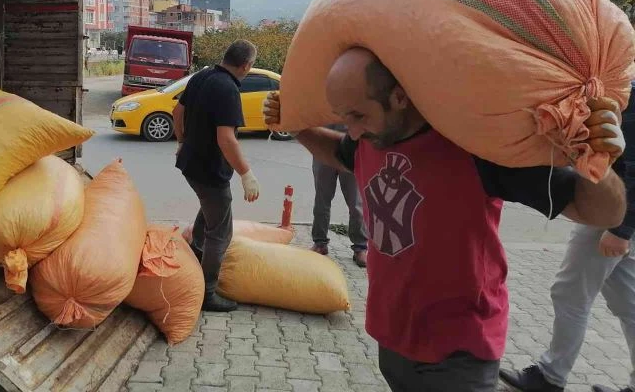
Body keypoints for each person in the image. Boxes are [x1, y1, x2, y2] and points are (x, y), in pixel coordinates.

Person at [262, 47, 627, 392]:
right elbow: (339, 153)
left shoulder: (476, 146)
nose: (352, 130)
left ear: (399, 97)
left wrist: (596, 162)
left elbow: (602, 212)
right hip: (391, 336)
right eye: (345, 118)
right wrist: (295, 126)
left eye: (358, 116)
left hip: (458, 352)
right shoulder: (370, 138)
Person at [499, 83, 635, 392]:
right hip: (617, 210)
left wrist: (621, 230)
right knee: (627, 300)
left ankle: (550, 376)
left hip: (613, 212)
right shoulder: (624, 87)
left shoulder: (630, 91)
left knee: (570, 293)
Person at [173, 39, 261, 312]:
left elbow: (177, 112)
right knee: (221, 232)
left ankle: (194, 255)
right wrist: (246, 173)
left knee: (211, 210)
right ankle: (206, 293)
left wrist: (181, 142)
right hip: (209, 170)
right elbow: (226, 139)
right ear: (245, 65)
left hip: (191, 164)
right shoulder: (228, 89)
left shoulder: (202, 77)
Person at [311, 124, 368, 267]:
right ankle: (320, 243)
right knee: (321, 200)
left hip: (351, 145)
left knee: (356, 203)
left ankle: (360, 247)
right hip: (323, 146)